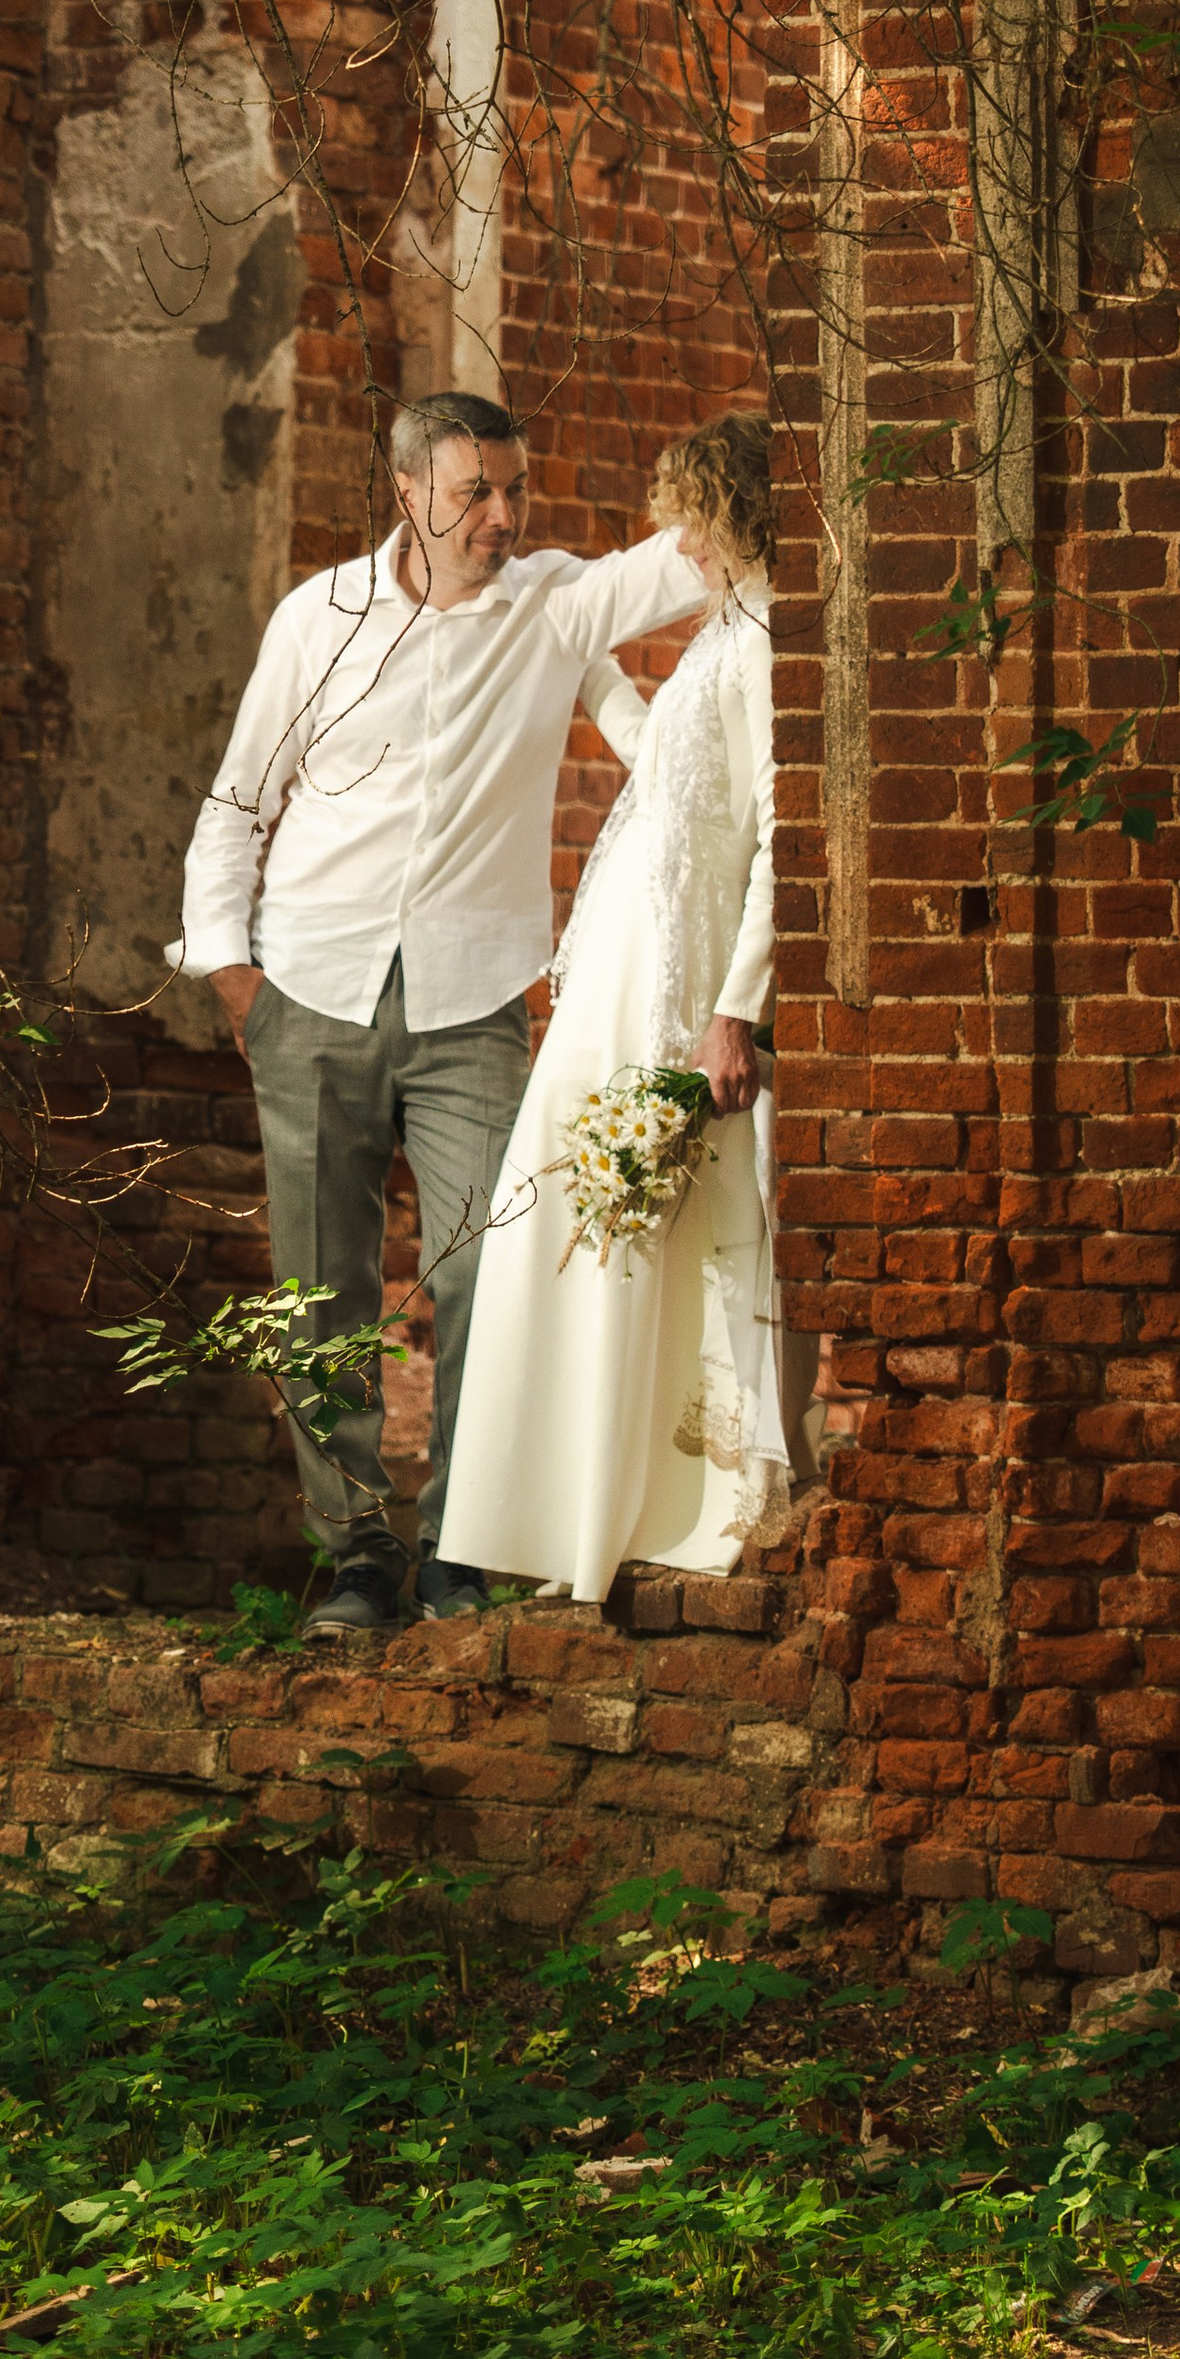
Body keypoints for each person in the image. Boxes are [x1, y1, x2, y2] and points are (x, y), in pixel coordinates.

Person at [175, 391, 705, 1631]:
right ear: (407, 489)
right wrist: (233, 975)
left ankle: (462, 1548)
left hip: (474, 1007)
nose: (501, 516)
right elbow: (238, 801)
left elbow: (693, 554)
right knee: (321, 1294)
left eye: (513, 490)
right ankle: (359, 1558)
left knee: (486, 1277)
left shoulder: (554, 604)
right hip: (309, 991)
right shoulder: (319, 618)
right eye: (475, 493)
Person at [438, 414, 813, 1604]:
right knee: (568, 1214)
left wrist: (733, 1012)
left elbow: (779, 836)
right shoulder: (722, 635)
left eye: (691, 522)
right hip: (619, 965)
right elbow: (667, 771)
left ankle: (684, 1502)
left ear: (734, 515)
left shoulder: (770, 641)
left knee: (663, 1223)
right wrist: (586, 667)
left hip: (681, 977)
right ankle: (579, 1512)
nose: (679, 546)